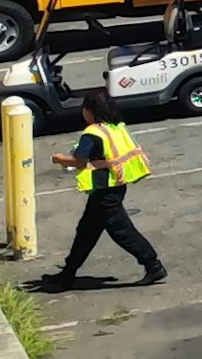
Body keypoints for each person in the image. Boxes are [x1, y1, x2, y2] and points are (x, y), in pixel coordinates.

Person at [37, 89, 164, 289]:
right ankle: (68, 273)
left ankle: (152, 264)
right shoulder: (116, 128)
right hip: (115, 185)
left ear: (90, 111)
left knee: (121, 232)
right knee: (86, 231)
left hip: (105, 190)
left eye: (84, 109)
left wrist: (57, 158)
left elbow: (78, 162)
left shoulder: (92, 134)